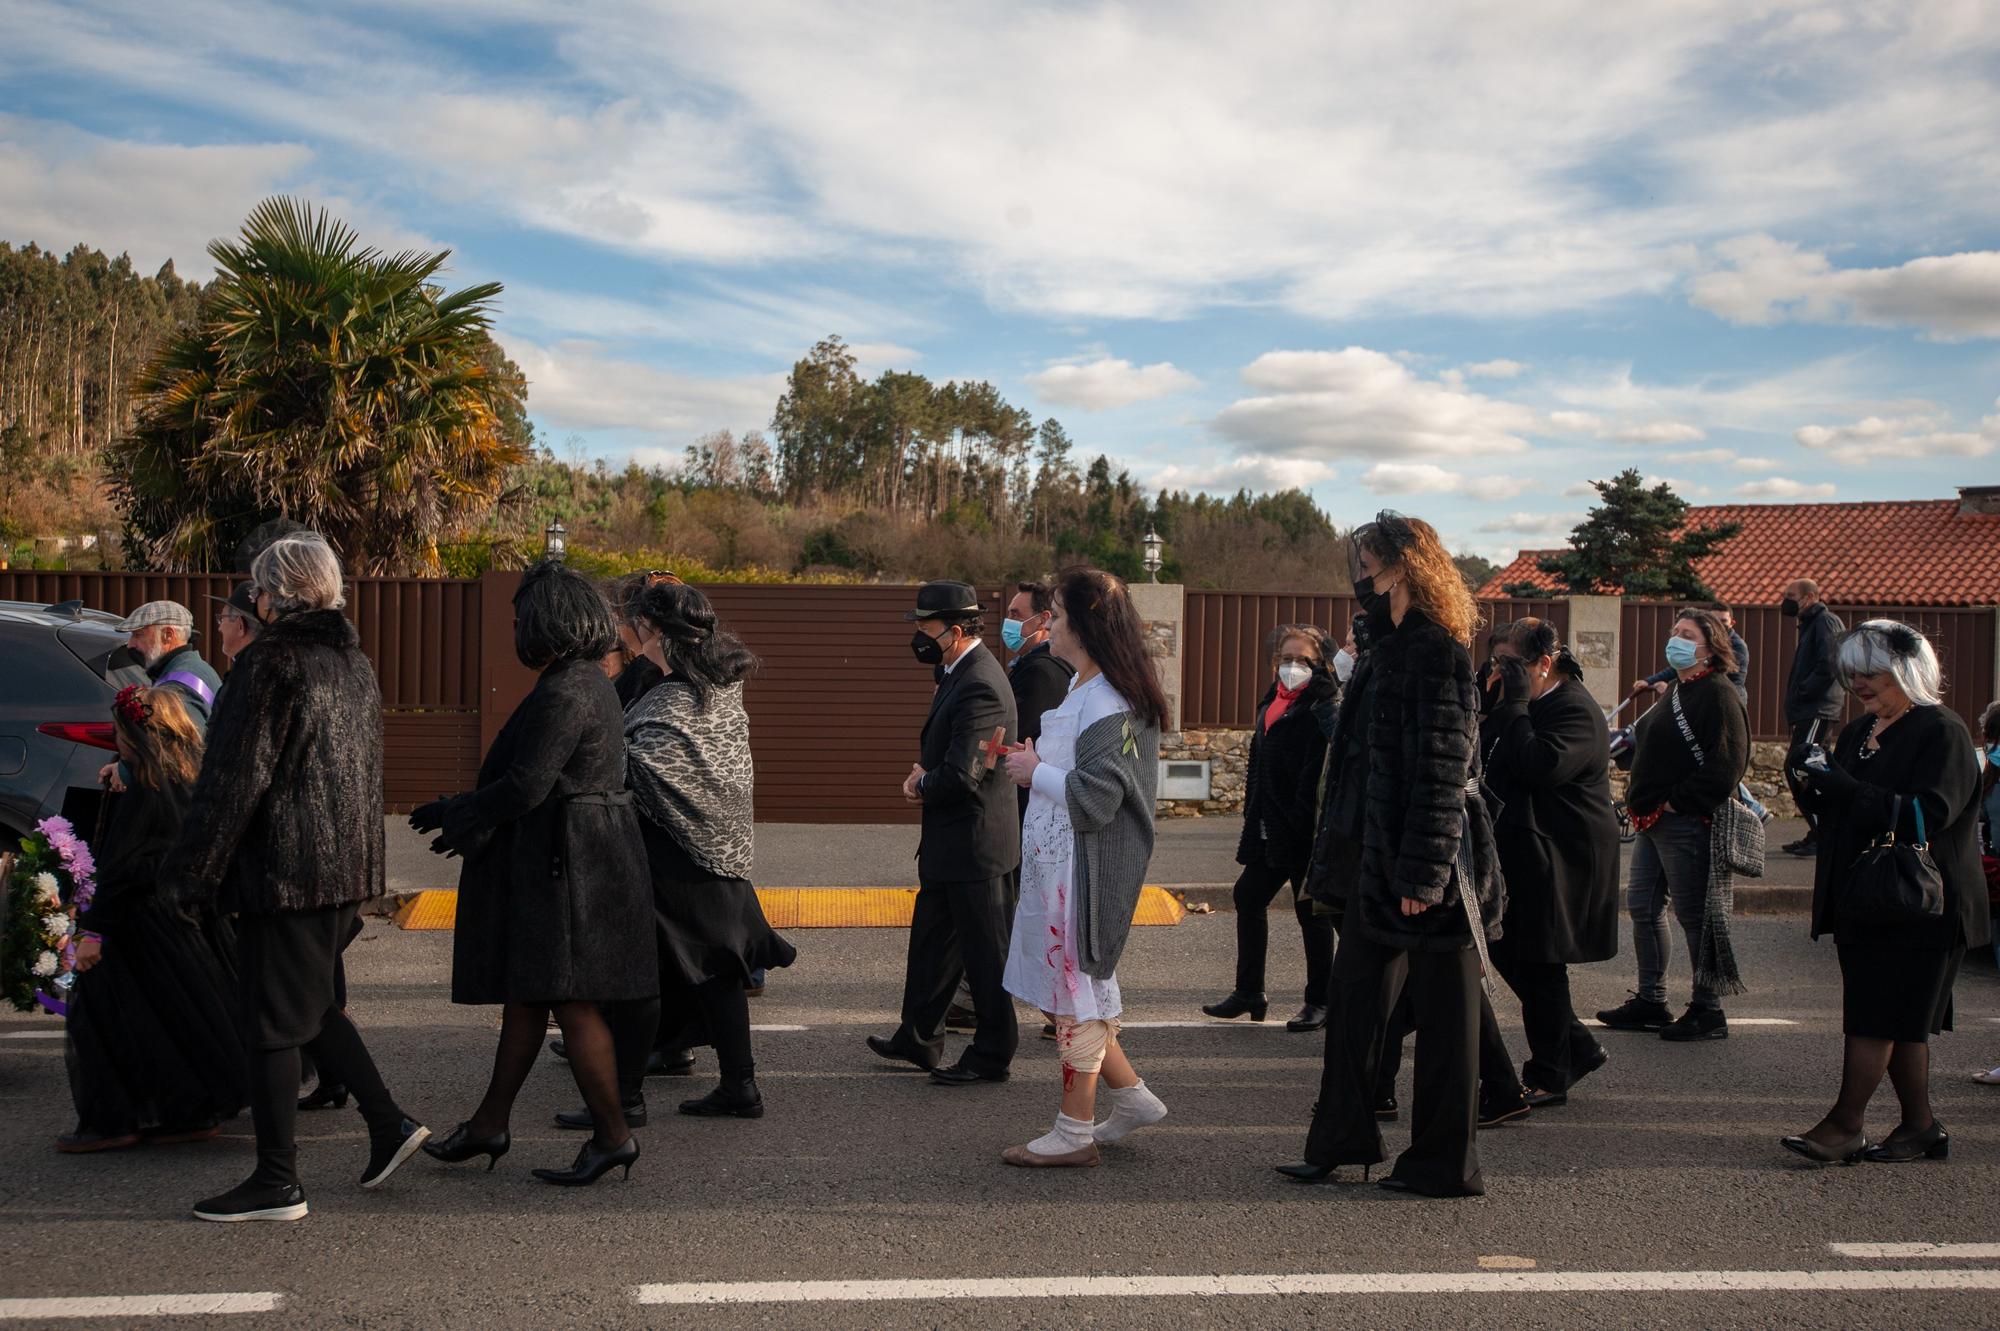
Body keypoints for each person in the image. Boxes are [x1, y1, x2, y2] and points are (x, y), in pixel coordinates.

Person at [168, 531, 428, 1223]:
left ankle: (278, 1180)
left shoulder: (270, 662)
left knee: (270, 1026)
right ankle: (388, 1123)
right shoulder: (352, 660)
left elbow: (231, 781)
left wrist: (192, 877)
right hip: (341, 869)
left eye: (256, 586)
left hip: (283, 870)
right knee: (308, 1008)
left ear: (270, 594)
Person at [1280, 512, 1503, 1198]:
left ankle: (1445, 1163)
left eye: (1369, 568)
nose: (1360, 581)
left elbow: (1444, 772)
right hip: (1378, 863)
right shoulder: (1386, 648)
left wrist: (1422, 873)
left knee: (1448, 1027)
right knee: (1352, 1007)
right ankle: (1341, 1139)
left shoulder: (1437, 651)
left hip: (1428, 867)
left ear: (1403, 568)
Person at [413, 560, 658, 1186]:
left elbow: (527, 784)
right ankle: (490, 1123)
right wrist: (463, 816)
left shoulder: (567, 687)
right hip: (571, 852)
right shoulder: (582, 678)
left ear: (546, 620)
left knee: (570, 1000)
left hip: (567, 860)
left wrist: (456, 813)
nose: (516, 626)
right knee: (530, 997)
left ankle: (613, 1135)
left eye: (521, 616)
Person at [587, 580, 795, 1127]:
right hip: (718, 847)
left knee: (652, 972)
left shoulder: (676, 694)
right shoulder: (716, 681)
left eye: (632, 623)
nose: (626, 633)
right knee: (716, 969)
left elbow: (637, 766)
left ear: (653, 631)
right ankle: (737, 1085)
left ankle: (624, 1101)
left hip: (676, 849)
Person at [1781, 622, 1988, 1164]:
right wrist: (1808, 784)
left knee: (1879, 1017)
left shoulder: (1942, 730)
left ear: (1908, 669)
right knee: (1900, 1021)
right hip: (1867, 897)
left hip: (1923, 902)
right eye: (1852, 675)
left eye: (1870, 673)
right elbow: (1841, 816)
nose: (1859, 686)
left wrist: (1848, 788)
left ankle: (1844, 1126)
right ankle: (1921, 1127)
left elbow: (1930, 814)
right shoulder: (1856, 733)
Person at [998, 566, 1170, 1165]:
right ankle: (1133, 1099)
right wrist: (1037, 757)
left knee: (1074, 996)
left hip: (1082, 870)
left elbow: (1099, 796)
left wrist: (1032, 772)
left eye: (1063, 617)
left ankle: (1075, 1133)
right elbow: (1082, 769)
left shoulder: (1109, 699)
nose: (1053, 625)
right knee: (1068, 993)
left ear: (1087, 625)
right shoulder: (1084, 686)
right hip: (1058, 864)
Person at [57, 686, 245, 1153]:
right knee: (175, 1020)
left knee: (106, 1021)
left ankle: (115, 1119)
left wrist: (92, 931)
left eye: (120, 734)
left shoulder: (146, 789)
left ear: (135, 735)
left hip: (137, 924)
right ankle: (188, 1112)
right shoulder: (186, 774)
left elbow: (125, 869)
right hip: (181, 920)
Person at [867, 581, 1021, 1085]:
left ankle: (992, 1053)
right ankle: (918, 1037)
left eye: (925, 627)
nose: (917, 634)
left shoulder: (980, 681)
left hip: (975, 846)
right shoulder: (958, 670)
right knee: (934, 944)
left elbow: (964, 774)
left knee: (985, 955)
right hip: (952, 845)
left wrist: (920, 783)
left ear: (955, 631)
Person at [1476, 620, 1618, 1108]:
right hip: (1525, 848)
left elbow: (1541, 765)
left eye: (1511, 665)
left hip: (1565, 854)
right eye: (1497, 664)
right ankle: (1576, 1045)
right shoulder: (1525, 703)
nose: (1503, 675)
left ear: (1543, 663)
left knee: (1539, 959)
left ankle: (1551, 1072)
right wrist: (1489, 699)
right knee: (1508, 950)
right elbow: (1490, 751)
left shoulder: (1573, 708)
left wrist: (1513, 705)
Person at [1597, 609, 1749, 1042]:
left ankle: (1708, 1009)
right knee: (1644, 905)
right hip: (1655, 818)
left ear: (1709, 647)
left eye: (1686, 635)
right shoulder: (1679, 689)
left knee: (1695, 915)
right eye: (1674, 632)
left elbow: (1727, 765)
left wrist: (1675, 804)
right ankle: (1651, 1001)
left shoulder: (1718, 694)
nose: (1675, 640)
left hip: (1684, 820)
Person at [948, 581, 1075, 1038]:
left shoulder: (1040, 673)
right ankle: (976, 1002)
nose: (1010, 622)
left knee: (1004, 912)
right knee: (1004, 912)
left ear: (1044, 621)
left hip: (1022, 807)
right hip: (1024, 806)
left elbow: (1013, 739)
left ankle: (1059, 1012)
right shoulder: (1028, 666)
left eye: (1020, 613)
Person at [1203, 624, 1338, 1031]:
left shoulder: (1322, 706)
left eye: (1303, 660)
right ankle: (1249, 992)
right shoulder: (1273, 701)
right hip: (1268, 826)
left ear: (1319, 665)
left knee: (1310, 913)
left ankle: (1320, 1001)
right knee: (1248, 895)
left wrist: (1299, 822)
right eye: (1286, 658)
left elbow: (1318, 773)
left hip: (1301, 831)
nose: (1292, 666)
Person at [99, 600, 229, 793]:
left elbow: (173, 752)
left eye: (138, 635)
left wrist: (126, 771)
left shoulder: (180, 684)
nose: (130, 644)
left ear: (168, 635)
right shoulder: (191, 670)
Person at [1782, 579, 1846, 857]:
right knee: (1810, 770)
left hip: (1818, 709)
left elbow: (1829, 664)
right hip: (1809, 709)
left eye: (1790, 596)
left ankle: (1826, 833)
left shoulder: (1826, 623)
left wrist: (1804, 692)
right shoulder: (1811, 625)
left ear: (1809, 598)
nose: (1785, 601)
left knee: (1799, 766)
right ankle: (1820, 832)